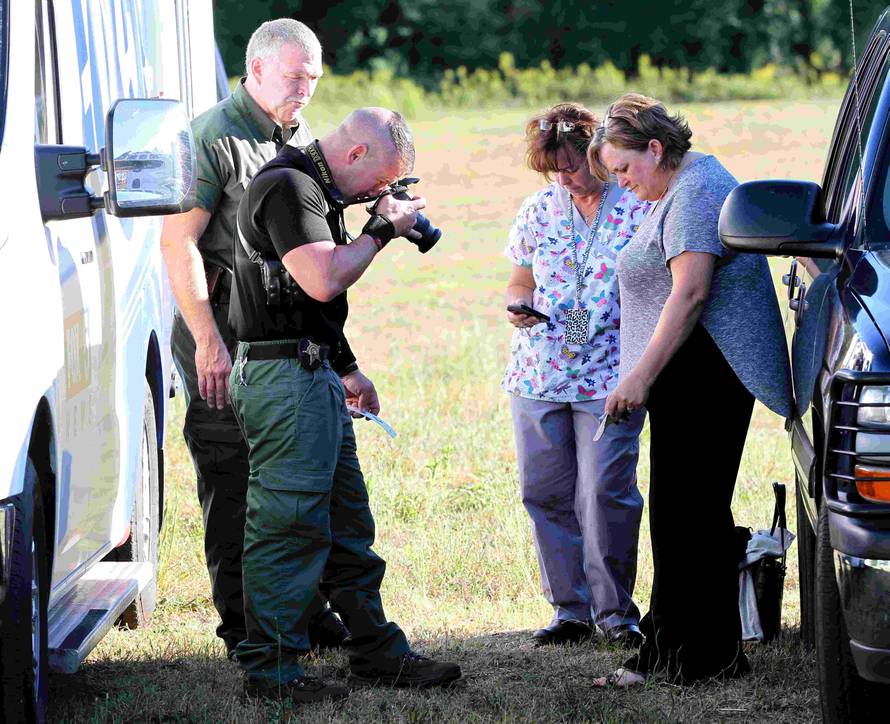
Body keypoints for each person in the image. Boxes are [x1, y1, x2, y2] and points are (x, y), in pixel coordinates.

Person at [226, 108, 462, 702]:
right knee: (288, 526)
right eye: (379, 181)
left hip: (312, 371)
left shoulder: (318, 188)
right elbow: (324, 280)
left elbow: (310, 304)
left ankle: (375, 651)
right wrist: (380, 231)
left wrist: (347, 365)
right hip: (283, 379)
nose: (380, 195)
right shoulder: (287, 186)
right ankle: (273, 671)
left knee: (348, 524)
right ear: (355, 155)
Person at [587, 93, 793, 687]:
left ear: (656, 149)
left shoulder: (697, 188)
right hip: (690, 371)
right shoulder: (681, 187)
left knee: (691, 516)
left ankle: (699, 657)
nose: (623, 185)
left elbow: (691, 294)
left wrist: (639, 376)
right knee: (681, 516)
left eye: (625, 169)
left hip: (709, 371)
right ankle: (677, 649)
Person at [160, 19, 348, 658]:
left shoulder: (298, 139)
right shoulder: (214, 136)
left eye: (314, 79)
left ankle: (307, 616)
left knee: (298, 479)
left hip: (284, 349)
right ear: (258, 68)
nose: (306, 90)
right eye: (295, 76)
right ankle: (246, 630)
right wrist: (207, 341)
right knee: (235, 480)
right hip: (224, 345)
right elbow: (177, 241)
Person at [503, 103, 651, 648]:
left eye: (572, 164)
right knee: (544, 492)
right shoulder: (539, 209)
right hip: (538, 370)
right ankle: (570, 610)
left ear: (597, 151)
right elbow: (519, 279)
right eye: (553, 168)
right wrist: (519, 304)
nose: (564, 177)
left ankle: (616, 613)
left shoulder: (636, 206)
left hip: (610, 373)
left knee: (605, 491)